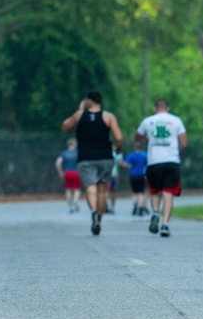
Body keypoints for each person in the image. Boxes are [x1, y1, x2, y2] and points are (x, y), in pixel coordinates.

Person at [61, 91, 123, 235]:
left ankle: (94, 211)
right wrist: (118, 149)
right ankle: (99, 220)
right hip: (105, 157)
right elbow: (118, 138)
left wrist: (80, 110)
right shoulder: (108, 117)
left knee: (90, 187)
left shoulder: (80, 115)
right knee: (102, 191)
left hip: (85, 157)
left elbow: (65, 126)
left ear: (89, 101)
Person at [135, 98, 187, 238]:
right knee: (168, 193)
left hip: (154, 162)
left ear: (155, 108)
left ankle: (155, 212)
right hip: (171, 161)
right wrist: (176, 152)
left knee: (155, 191)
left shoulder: (148, 121)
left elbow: (137, 137)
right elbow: (184, 143)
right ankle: (165, 224)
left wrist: (147, 139)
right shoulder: (176, 121)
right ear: (167, 108)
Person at [120, 143, 149, 216]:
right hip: (141, 175)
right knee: (141, 192)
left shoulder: (131, 155)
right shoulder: (144, 155)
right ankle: (140, 207)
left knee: (134, 192)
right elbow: (148, 164)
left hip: (133, 175)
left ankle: (135, 206)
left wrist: (130, 166)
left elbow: (125, 164)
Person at [55, 138, 82, 213]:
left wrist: (60, 172)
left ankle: (71, 206)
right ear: (74, 145)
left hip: (67, 173)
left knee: (68, 189)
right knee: (77, 189)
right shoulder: (78, 153)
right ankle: (75, 200)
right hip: (76, 172)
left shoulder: (64, 153)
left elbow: (58, 163)